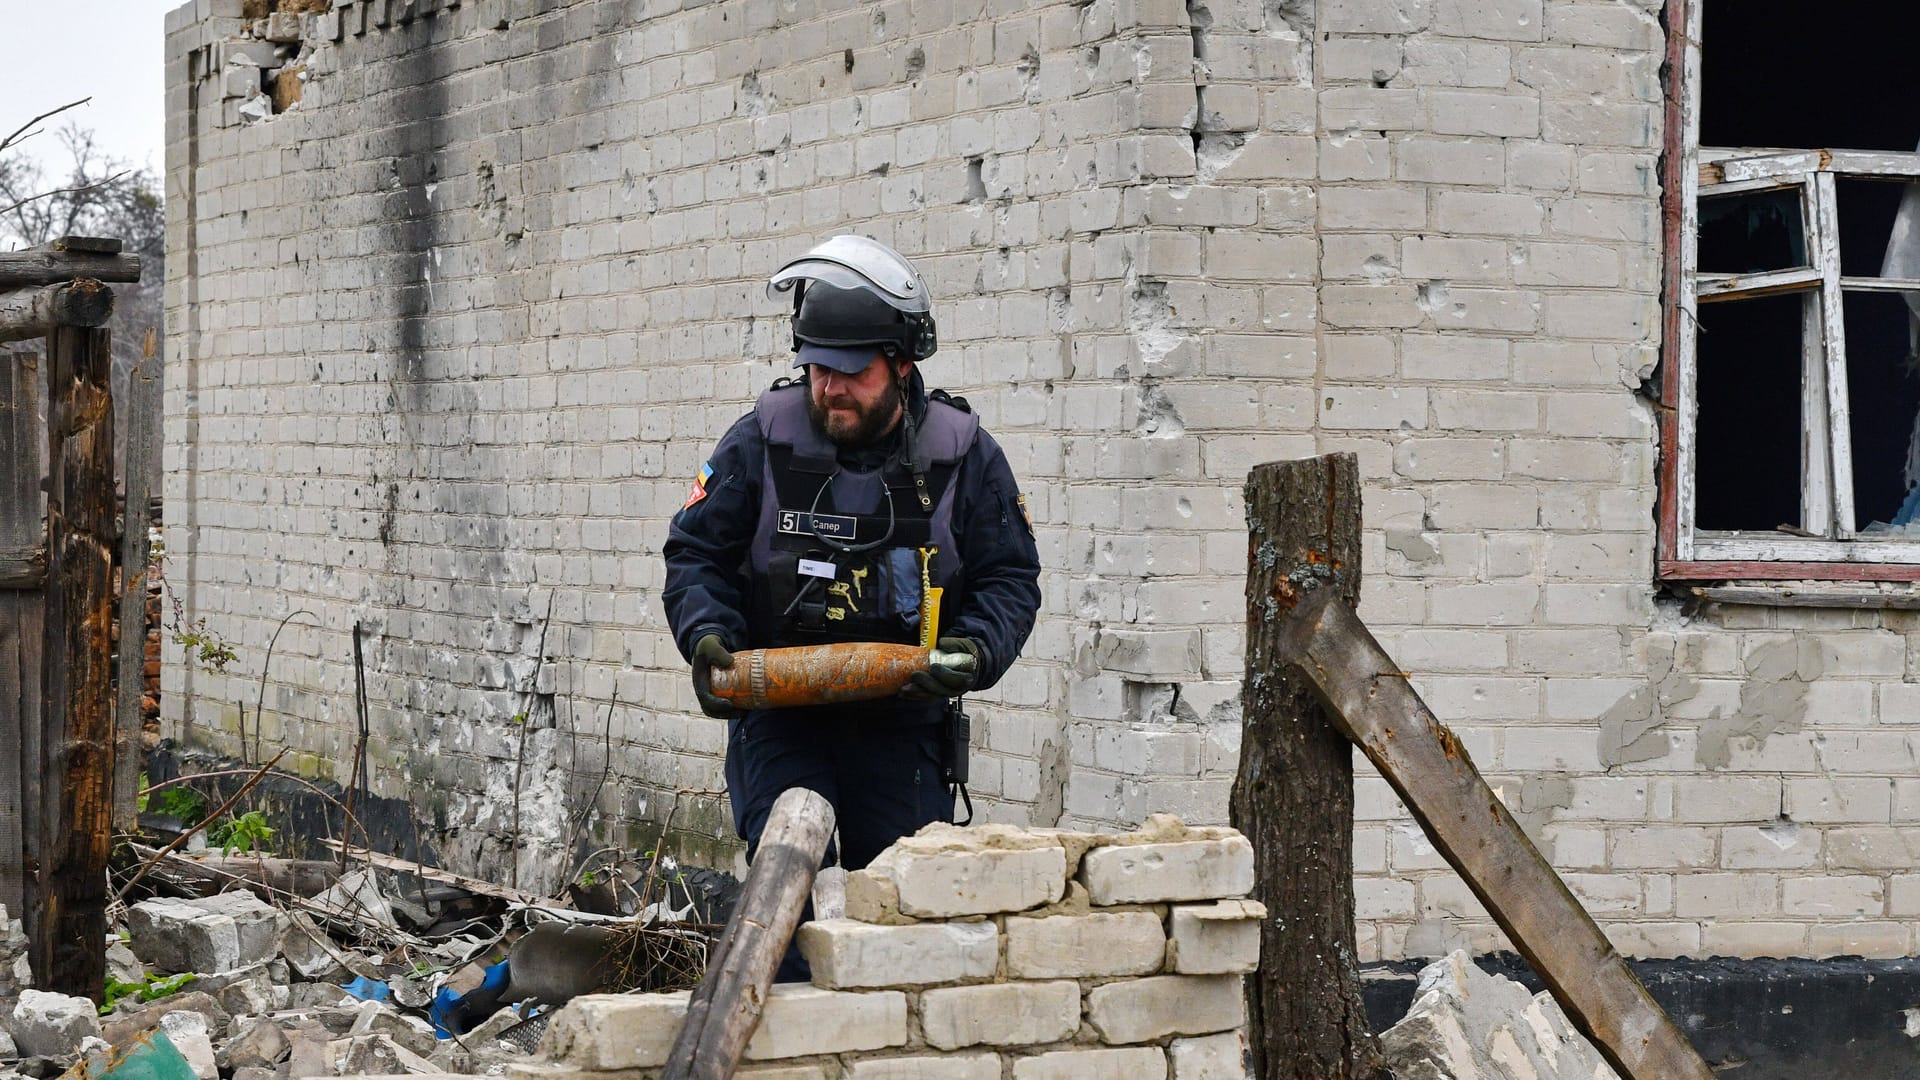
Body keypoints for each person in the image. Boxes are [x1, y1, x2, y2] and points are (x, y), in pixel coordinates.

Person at [663, 235, 1043, 911]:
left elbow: (1009, 578)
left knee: (899, 916)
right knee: (792, 907)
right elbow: (697, 556)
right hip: (780, 721)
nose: (828, 388)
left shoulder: (963, 457)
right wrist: (706, 633)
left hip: (903, 734)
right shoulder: (760, 442)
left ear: (898, 364)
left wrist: (977, 648)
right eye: (816, 369)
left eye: (848, 371)